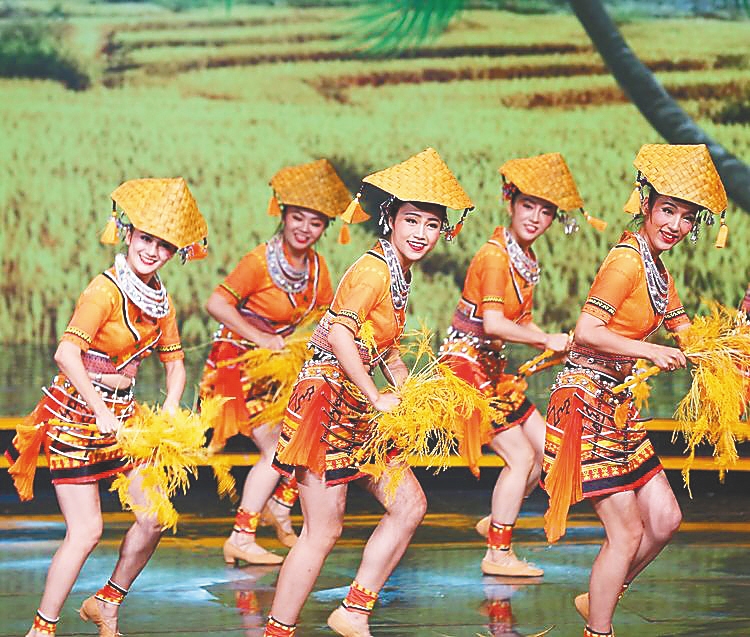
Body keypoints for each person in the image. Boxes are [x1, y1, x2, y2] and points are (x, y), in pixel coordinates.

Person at [262, 148, 475, 637]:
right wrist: (377, 396)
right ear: (390, 219)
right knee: (323, 530)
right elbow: (340, 334)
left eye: (431, 224)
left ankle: (353, 611)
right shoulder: (374, 270)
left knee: (409, 505)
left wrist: (409, 388)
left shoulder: (398, 270)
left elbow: (382, 344)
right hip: (324, 402)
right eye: (412, 220)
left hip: (353, 405)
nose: (421, 233)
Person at [5, 178, 208, 637]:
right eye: (146, 239)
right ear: (128, 234)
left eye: (164, 245)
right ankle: (42, 628)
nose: (152, 251)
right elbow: (65, 354)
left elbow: (175, 364)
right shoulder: (104, 291)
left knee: (155, 517)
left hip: (124, 420)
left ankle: (106, 602)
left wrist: (171, 406)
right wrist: (99, 409)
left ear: (174, 253)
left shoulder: (160, 301)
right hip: (76, 416)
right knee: (87, 531)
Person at [541, 144, 728, 637]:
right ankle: (598, 629)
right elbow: (586, 331)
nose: (676, 225)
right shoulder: (626, 260)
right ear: (646, 205)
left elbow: (687, 334)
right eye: (668, 210)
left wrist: (730, 352)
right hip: (584, 402)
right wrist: (648, 351)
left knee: (664, 520)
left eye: (687, 218)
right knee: (626, 534)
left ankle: (600, 595)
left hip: (616, 405)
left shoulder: (659, 272)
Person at [439, 153, 603, 576]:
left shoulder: (524, 258)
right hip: (465, 369)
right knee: (521, 458)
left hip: (491, 370)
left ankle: (500, 512)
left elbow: (521, 321)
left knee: (548, 451)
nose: (535, 217)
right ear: (510, 203)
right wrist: (545, 339)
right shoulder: (496, 256)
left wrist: (555, 342)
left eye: (545, 211)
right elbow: (494, 323)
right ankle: (497, 553)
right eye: (528, 205)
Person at [199, 159, 352, 565]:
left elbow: (328, 318)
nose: (305, 228)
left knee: (310, 431)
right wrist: (262, 338)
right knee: (276, 448)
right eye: (297, 217)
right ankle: (241, 536)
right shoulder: (258, 261)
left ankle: (280, 508)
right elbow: (216, 303)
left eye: (315, 222)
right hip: (239, 364)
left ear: (325, 228)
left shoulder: (318, 268)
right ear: (282, 215)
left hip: (278, 366)